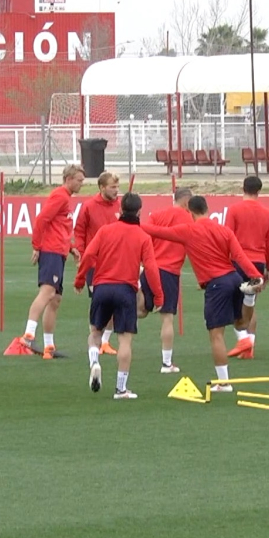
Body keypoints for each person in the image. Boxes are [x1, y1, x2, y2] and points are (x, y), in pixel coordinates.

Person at [141, 196, 264, 392]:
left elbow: (157, 231)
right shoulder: (224, 230)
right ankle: (248, 297)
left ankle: (224, 383)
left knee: (216, 335)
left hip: (216, 284)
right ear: (207, 209)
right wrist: (256, 276)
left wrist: (129, 222)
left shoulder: (188, 230)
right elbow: (239, 256)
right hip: (233, 278)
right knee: (241, 324)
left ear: (189, 212)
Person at [74, 193, 162, 400]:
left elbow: (88, 256)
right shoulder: (143, 237)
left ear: (120, 210)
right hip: (125, 290)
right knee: (125, 341)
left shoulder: (105, 231)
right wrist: (158, 296)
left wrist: (79, 280)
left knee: (95, 332)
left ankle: (94, 362)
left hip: (102, 287)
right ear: (140, 211)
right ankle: (121, 389)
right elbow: (151, 268)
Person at [5, 164, 86, 360]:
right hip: (50, 251)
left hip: (58, 251)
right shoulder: (60, 196)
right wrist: (36, 245)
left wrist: (70, 248)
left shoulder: (65, 198)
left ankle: (49, 346)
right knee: (47, 292)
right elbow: (42, 219)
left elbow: (59, 228)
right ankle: (28, 336)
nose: (81, 184)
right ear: (68, 179)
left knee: (55, 299)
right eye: (79, 180)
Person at [137, 187, 194, 373]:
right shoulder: (188, 220)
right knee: (167, 318)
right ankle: (167, 363)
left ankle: (107, 324)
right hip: (169, 272)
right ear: (186, 202)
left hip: (150, 268)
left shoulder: (157, 215)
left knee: (142, 310)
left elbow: (145, 239)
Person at [224, 176, 269, 360]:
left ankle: (244, 340)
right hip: (258, 263)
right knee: (250, 303)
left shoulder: (234, 210)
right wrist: (268, 267)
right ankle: (249, 346)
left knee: (233, 306)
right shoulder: (267, 213)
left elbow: (227, 237)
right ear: (259, 191)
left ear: (242, 188)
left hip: (239, 262)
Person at [73, 171, 122, 355]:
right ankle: (95, 337)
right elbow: (79, 231)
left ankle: (105, 341)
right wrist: (81, 254)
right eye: (112, 187)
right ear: (102, 187)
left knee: (112, 302)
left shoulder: (120, 206)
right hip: (94, 264)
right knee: (98, 302)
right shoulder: (89, 206)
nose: (116, 191)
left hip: (116, 263)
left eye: (117, 187)